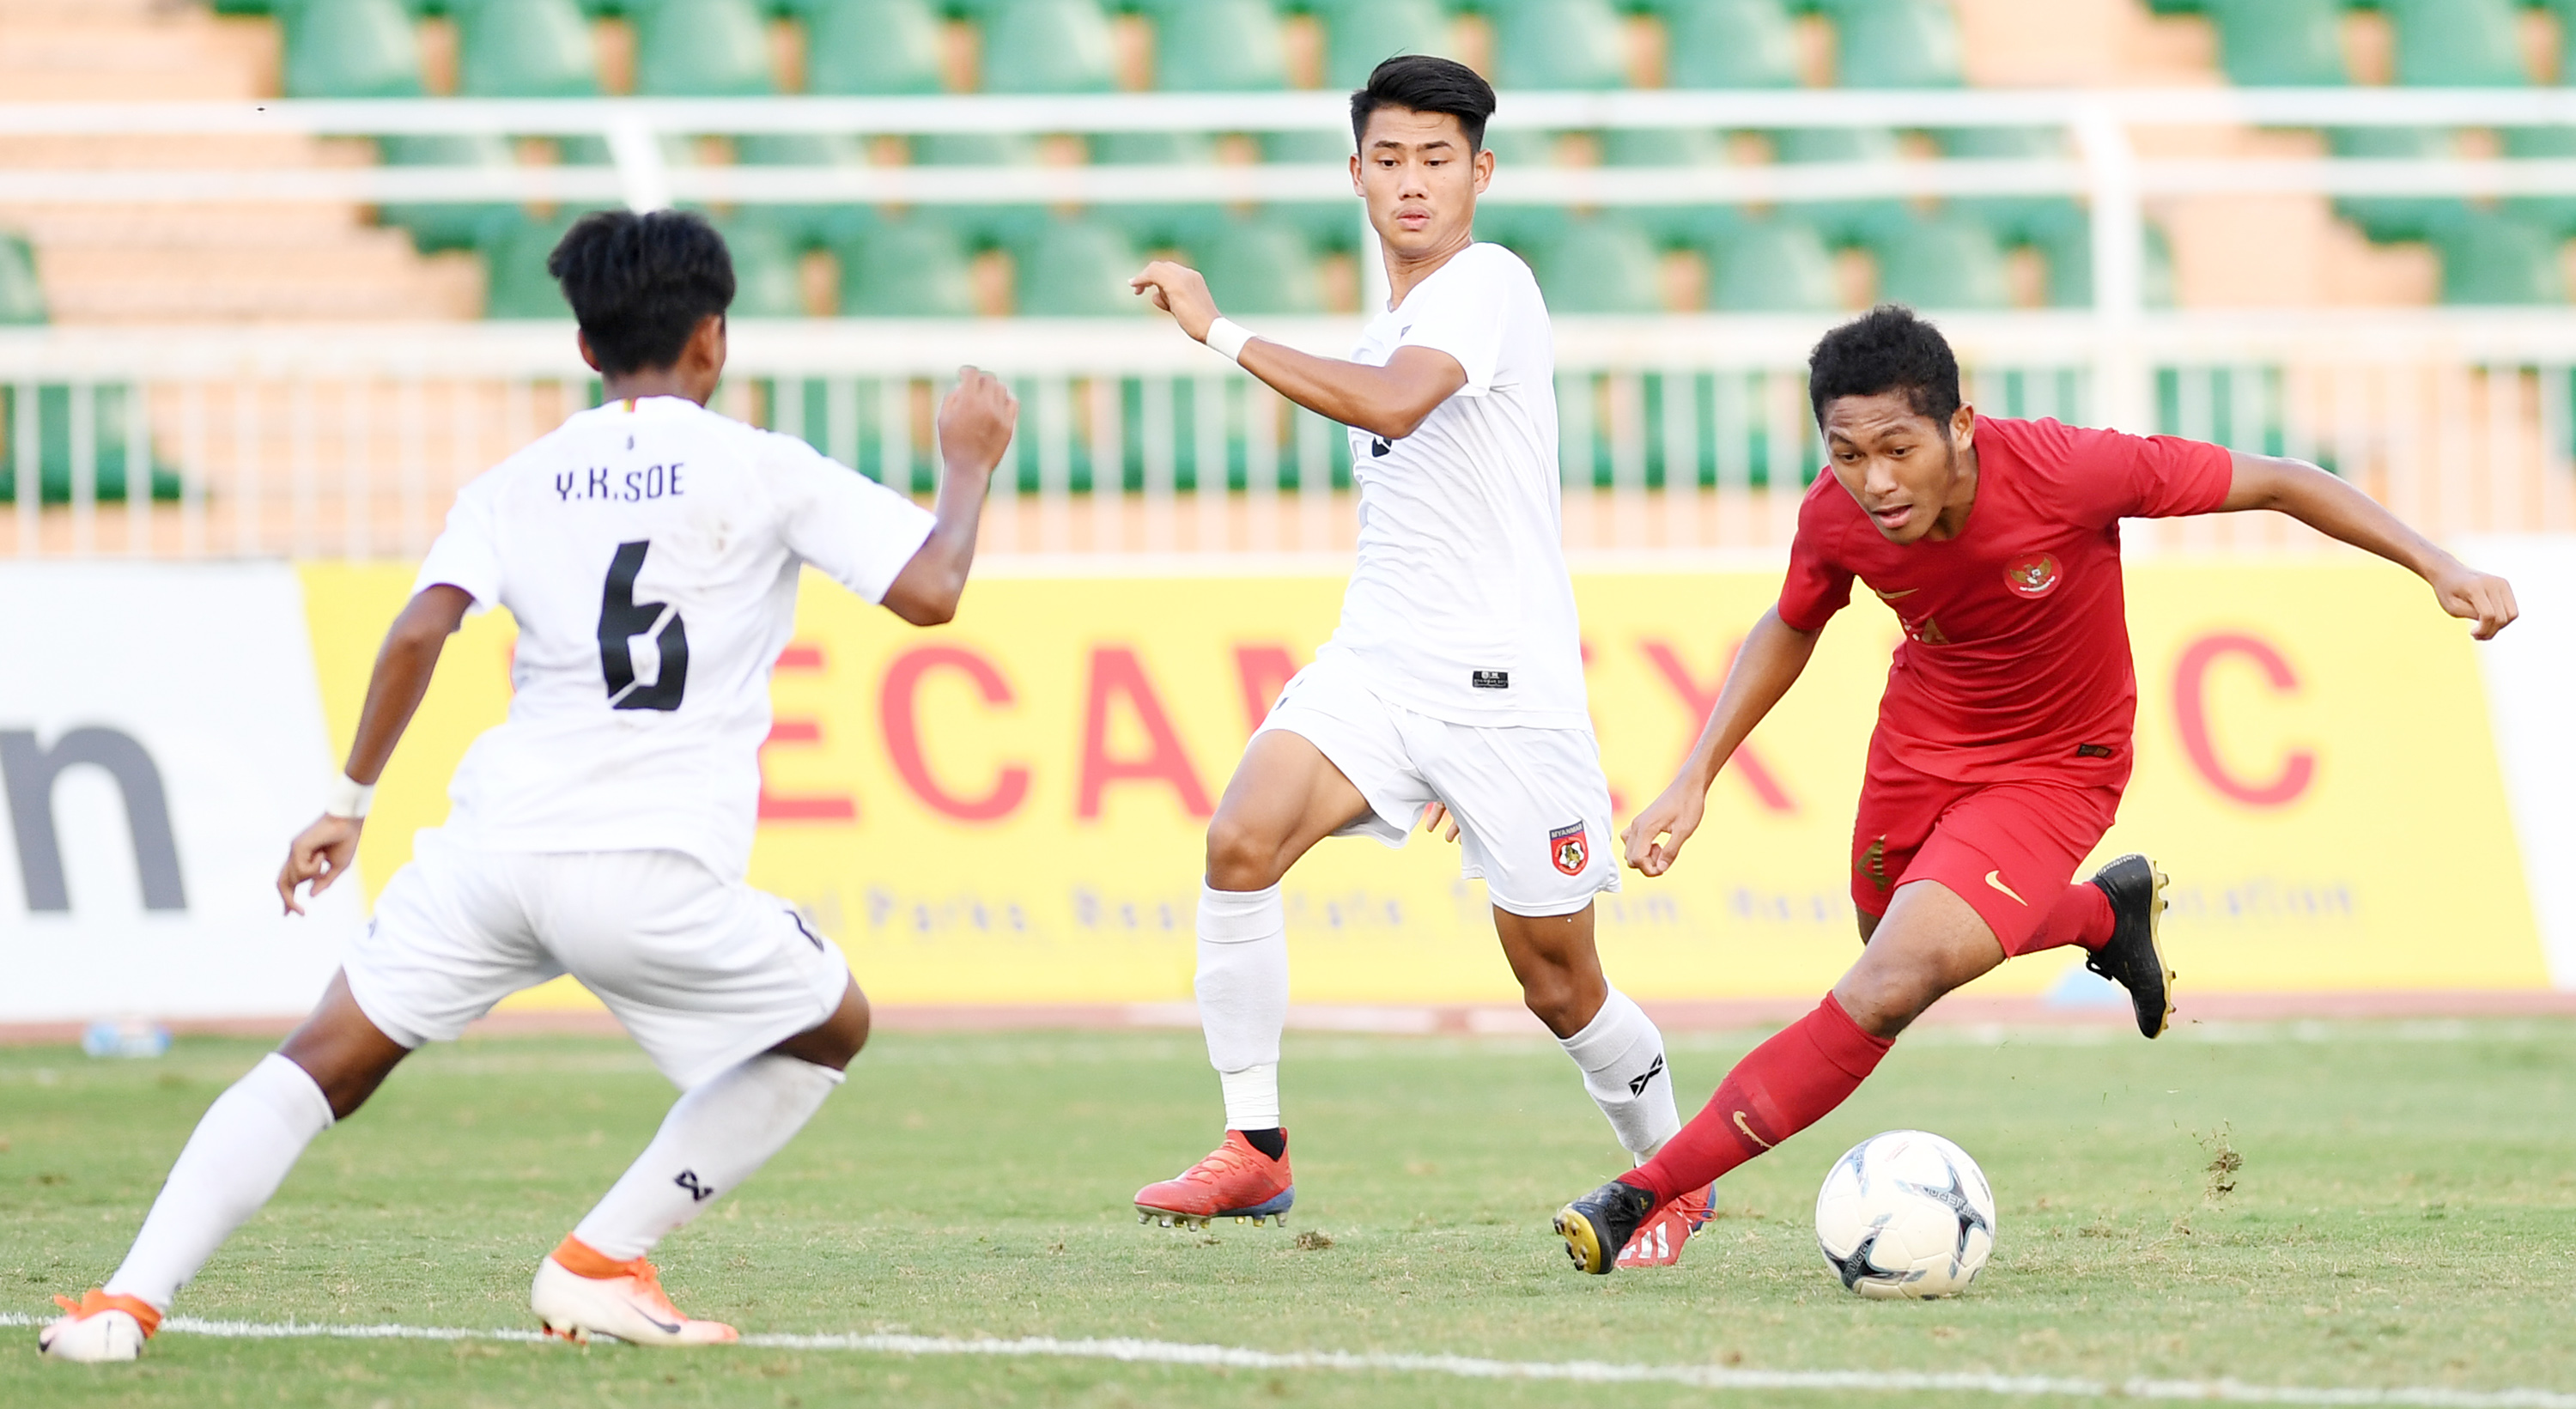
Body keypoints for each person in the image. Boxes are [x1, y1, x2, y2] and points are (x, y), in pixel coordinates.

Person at [39, 210, 1020, 1359]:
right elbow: (933, 589)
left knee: (319, 1064)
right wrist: (967, 460)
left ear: (587, 350)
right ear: (713, 340)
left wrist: (347, 805)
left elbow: (419, 629)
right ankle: (602, 1255)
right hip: (649, 864)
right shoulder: (765, 468)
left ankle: (124, 1302)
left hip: (493, 854)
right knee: (828, 1024)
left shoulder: (517, 479)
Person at [1550, 305, 2520, 1273]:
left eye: (1898, 448)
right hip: (1921, 745)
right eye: (1847, 453)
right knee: (1887, 931)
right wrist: (1695, 776)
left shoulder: (2070, 470)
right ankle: (2104, 916)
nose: (1876, 481)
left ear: (1958, 427)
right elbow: (1795, 620)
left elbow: (2276, 481)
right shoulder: (1836, 512)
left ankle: (1648, 1190)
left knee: (1888, 985)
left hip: (2059, 764)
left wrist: (2438, 564)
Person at [1123, 55, 1705, 1266]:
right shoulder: (1392, 316)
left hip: (1505, 691)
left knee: (1558, 983)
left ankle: (1675, 1173)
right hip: (1380, 666)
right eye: (1389, 159)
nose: (1413, 183)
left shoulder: (1486, 283)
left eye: (1438, 159)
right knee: (1239, 839)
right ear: (1356, 174)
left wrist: (1218, 329)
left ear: (1479, 173)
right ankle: (1256, 1150)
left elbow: (1393, 407)